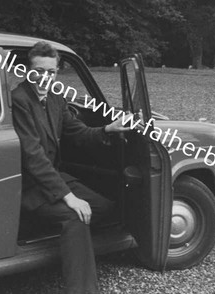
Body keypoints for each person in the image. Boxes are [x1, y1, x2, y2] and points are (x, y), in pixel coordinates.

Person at [11, 41, 128, 294]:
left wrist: (108, 129)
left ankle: (63, 237)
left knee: (103, 207)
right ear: (27, 70)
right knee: (75, 216)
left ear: (57, 73)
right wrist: (70, 198)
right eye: (39, 70)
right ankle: (83, 289)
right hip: (30, 186)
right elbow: (34, 158)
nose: (44, 77)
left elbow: (77, 133)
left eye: (51, 72)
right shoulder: (19, 100)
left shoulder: (55, 98)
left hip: (52, 179)